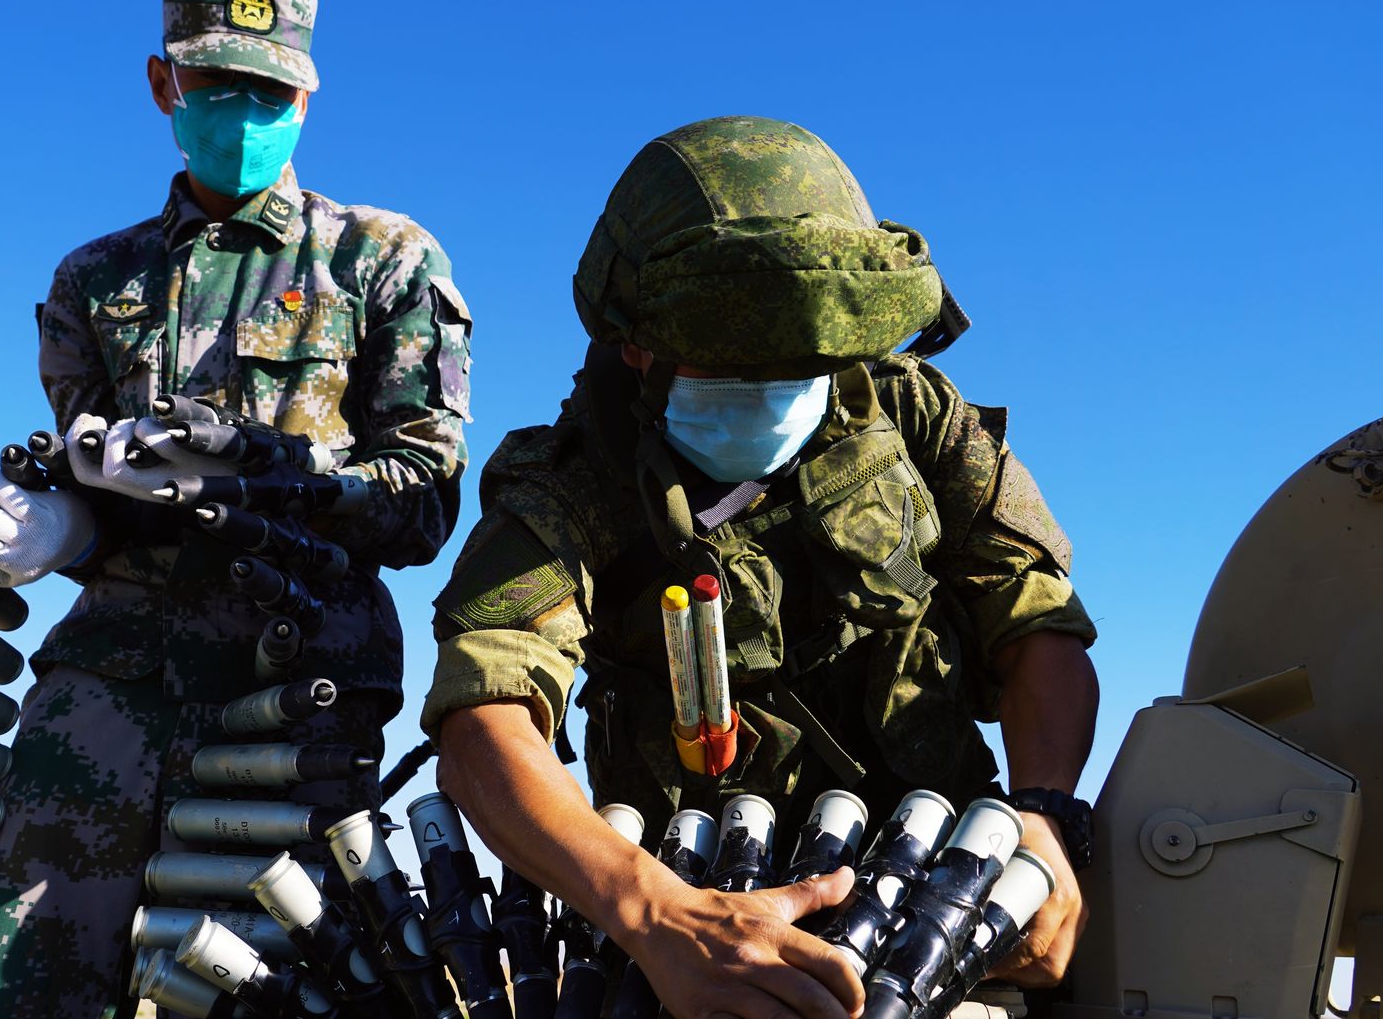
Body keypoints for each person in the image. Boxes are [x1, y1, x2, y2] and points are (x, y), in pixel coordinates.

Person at [422, 116, 1095, 1019]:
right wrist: (659, 915)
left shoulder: (917, 422)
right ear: (637, 340)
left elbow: (1035, 622)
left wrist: (1045, 820)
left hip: (932, 908)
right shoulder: (576, 481)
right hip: (696, 930)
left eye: (799, 358)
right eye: (733, 355)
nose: (772, 385)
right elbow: (484, 717)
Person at [0, 0, 470, 1015]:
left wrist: (283, 483)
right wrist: (61, 528)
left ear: (308, 94)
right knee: (23, 971)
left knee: (262, 984)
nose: (244, 110)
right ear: (164, 84)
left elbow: (423, 499)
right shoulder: (96, 278)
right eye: (218, 86)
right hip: (111, 676)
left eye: (269, 89)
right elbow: (89, 462)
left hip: (297, 679)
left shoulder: (384, 262)